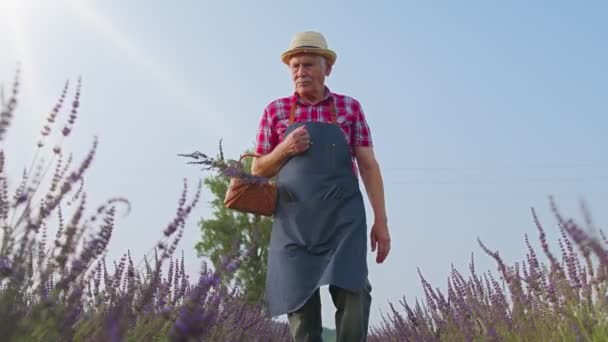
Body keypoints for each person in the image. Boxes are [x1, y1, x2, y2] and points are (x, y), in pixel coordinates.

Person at [251, 31, 390, 342]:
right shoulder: (274, 111)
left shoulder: (349, 108)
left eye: (309, 65)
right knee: (299, 304)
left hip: (343, 218)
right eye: (295, 66)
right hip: (294, 222)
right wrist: (284, 149)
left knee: (354, 290)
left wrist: (381, 221)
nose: (301, 72)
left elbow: (368, 166)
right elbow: (258, 168)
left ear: (327, 67)